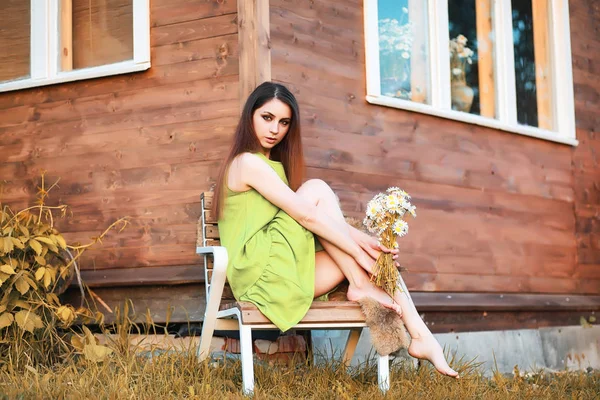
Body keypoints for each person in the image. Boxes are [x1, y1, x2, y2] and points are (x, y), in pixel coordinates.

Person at [213, 81, 458, 378]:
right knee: (316, 189)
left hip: (280, 272)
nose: (275, 129)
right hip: (258, 274)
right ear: (250, 116)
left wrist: (369, 246)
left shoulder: (269, 165)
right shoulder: (245, 163)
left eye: (284, 122)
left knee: (364, 253)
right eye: (267, 117)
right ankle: (364, 285)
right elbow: (306, 215)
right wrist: (363, 251)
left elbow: (314, 217)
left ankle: (422, 337)